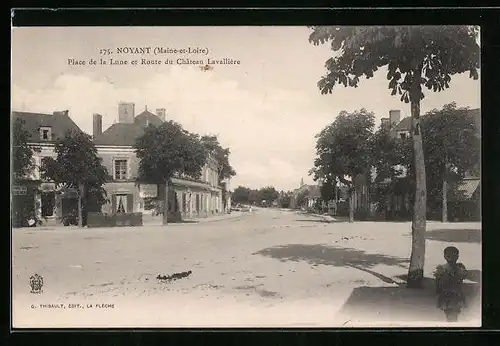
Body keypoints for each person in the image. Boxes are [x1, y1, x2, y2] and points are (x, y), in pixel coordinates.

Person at [433, 246, 468, 322]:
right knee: (451, 316)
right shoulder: (443, 268)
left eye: (453, 256)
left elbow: (437, 283)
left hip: (452, 296)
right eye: (449, 256)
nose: (451, 258)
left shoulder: (458, 268)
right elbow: (438, 282)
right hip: (450, 295)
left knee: (451, 316)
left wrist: (438, 292)